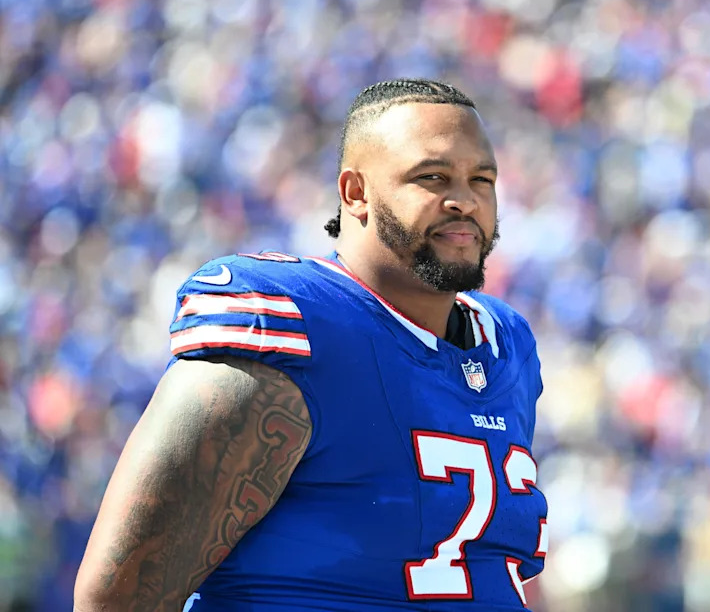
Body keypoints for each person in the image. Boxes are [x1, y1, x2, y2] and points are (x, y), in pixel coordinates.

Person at [73, 79, 549, 611]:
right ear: (356, 192)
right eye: (431, 177)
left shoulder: (506, 346)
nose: (464, 200)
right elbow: (116, 597)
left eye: (482, 179)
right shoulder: (290, 324)